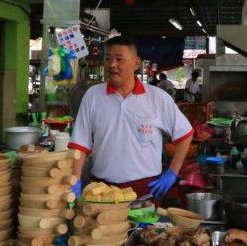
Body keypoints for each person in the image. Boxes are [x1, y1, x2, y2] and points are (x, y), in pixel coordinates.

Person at [68, 36, 193, 204]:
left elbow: (184, 134)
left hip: (145, 190)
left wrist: (172, 172)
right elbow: (80, 143)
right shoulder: (93, 96)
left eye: (119, 59)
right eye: (108, 59)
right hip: (101, 191)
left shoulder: (157, 98)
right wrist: (75, 179)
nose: (112, 65)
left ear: (136, 63)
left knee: (144, 231)